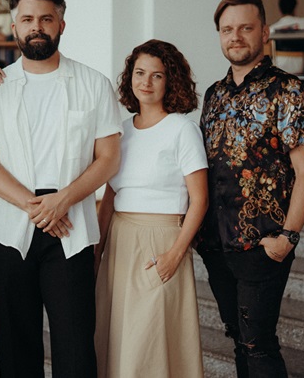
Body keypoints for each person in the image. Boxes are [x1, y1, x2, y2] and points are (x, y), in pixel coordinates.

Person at [0, 0, 122, 378]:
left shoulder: (94, 84)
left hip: (70, 228)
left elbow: (108, 159)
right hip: (8, 228)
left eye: (46, 18)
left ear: (61, 25)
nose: (37, 26)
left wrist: (63, 199)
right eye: (27, 19)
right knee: (16, 345)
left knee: (75, 346)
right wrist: (33, 205)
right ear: (14, 27)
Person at [196, 0, 304, 378]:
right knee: (237, 338)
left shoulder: (287, 90)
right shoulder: (214, 95)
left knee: (258, 344)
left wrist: (288, 238)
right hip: (216, 242)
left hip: (262, 242)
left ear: (264, 33)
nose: (236, 37)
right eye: (227, 29)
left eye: (246, 28)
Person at [94, 39, 209, 378]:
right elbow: (110, 196)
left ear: (170, 81)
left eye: (156, 76)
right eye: (139, 73)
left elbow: (199, 200)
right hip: (120, 240)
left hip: (161, 241)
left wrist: (176, 253)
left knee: (150, 342)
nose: (145, 82)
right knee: (116, 337)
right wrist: (97, 251)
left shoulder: (182, 130)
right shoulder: (121, 132)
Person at [269, 0, 304, 75]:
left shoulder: (272, 28)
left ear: (280, 10)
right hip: (301, 66)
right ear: (295, 8)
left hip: (279, 66)